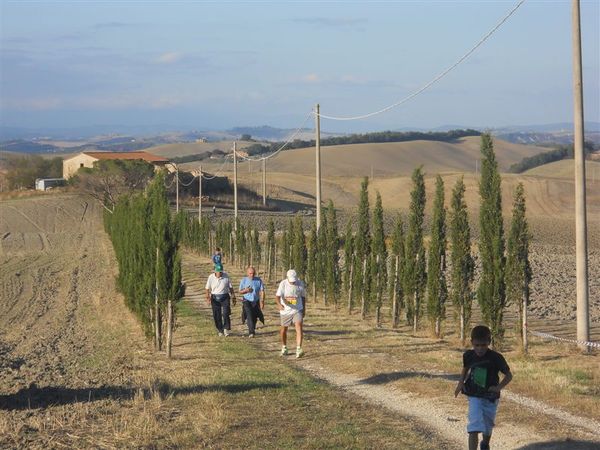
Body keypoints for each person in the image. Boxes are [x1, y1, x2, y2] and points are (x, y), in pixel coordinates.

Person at [454, 325, 513, 450]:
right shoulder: (468, 355)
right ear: (472, 343)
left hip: (490, 397)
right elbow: (465, 368)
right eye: (477, 345)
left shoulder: (496, 358)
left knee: (487, 425)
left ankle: (485, 444)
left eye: (483, 345)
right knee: (474, 426)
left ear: (489, 342)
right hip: (474, 394)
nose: (480, 349)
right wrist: (461, 383)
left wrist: (498, 388)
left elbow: (509, 376)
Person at [275, 269, 306, 358]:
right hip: (286, 310)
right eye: (291, 280)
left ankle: (299, 348)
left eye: (294, 280)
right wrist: (279, 305)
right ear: (287, 278)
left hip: (297, 309)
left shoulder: (300, 284)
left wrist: (304, 309)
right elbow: (277, 296)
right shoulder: (283, 284)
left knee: (299, 326)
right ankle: (284, 347)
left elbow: (303, 297)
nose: (293, 282)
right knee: (283, 330)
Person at [205, 264, 236, 336]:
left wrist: (233, 296)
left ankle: (226, 329)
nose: (220, 273)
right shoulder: (211, 277)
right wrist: (207, 297)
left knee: (226, 313)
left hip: (225, 296)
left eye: (221, 272)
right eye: (219, 272)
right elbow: (207, 288)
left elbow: (230, 287)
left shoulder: (226, 276)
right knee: (217, 314)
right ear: (215, 271)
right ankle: (220, 329)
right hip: (215, 297)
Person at [238, 266, 265, 337]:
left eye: (253, 273)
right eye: (250, 273)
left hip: (256, 301)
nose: (252, 275)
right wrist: (246, 290)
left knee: (255, 316)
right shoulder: (244, 280)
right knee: (249, 314)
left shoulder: (258, 280)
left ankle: (252, 328)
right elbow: (240, 291)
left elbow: (262, 291)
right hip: (246, 300)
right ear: (247, 273)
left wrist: (262, 301)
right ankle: (251, 332)